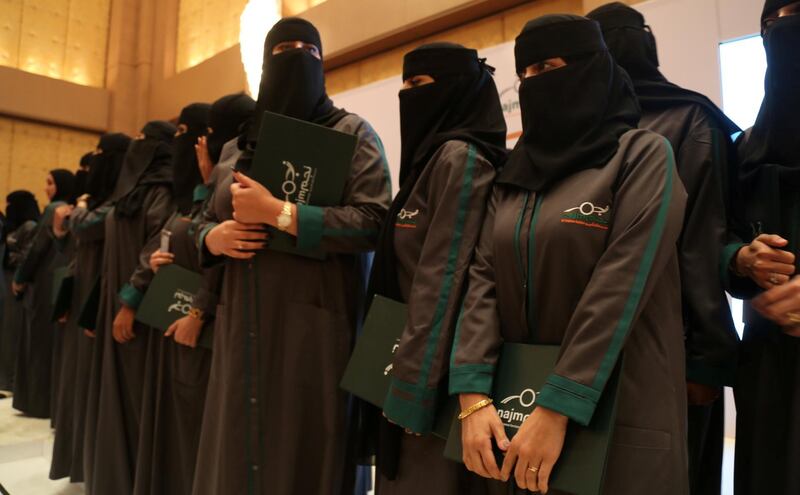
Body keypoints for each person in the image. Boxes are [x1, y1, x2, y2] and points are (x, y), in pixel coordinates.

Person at [449, 15, 688, 495]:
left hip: (618, 412)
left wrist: (557, 407)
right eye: (527, 74)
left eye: (549, 66)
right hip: (517, 419)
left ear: (592, 67)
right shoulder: (515, 176)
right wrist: (472, 396)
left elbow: (618, 289)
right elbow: (483, 280)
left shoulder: (641, 156)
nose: (537, 83)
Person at [192, 17, 391, 495]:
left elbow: (374, 220)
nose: (296, 58)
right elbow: (199, 216)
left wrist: (282, 213)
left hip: (314, 327)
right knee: (237, 449)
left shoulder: (351, 133)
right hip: (242, 324)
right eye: (284, 51)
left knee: (308, 450)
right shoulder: (237, 145)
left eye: (308, 50)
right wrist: (212, 238)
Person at [585, 4, 743, 493]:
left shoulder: (689, 120)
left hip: (668, 355)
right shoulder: (579, 127)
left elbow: (701, 247)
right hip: (604, 354)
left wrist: (703, 363)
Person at [367, 42, 507, 494]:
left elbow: (443, 281)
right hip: (411, 364)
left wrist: (412, 389)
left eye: (420, 84)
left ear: (456, 89)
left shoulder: (460, 160)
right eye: (404, 85)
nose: (409, 95)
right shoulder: (430, 163)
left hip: (436, 387)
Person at [721, 2, 800, 494]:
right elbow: (716, 236)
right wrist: (740, 258)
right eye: (781, 21)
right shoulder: (746, 146)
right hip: (770, 367)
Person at [84, 121, 175, 494]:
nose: (138, 143)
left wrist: (130, 301)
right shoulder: (132, 189)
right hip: (114, 301)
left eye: (144, 138)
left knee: (136, 398)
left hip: (136, 310)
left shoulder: (163, 191)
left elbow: (155, 249)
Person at [132, 102, 212, 495]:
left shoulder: (216, 194)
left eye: (188, 133)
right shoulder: (189, 198)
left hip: (202, 329)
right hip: (172, 320)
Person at [49, 133, 131, 482]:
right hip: (82, 296)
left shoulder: (120, 201)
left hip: (99, 302)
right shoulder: (100, 200)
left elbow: (87, 227)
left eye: (101, 155)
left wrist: (78, 212)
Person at [11, 170, 75, 419]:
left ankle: (36, 402)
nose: (46, 188)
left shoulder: (55, 208)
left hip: (43, 281)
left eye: (50, 183)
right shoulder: (71, 208)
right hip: (58, 279)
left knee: (36, 344)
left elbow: (37, 247)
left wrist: (20, 278)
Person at [0, 191, 40, 394]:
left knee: (13, 333)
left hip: (18, 285)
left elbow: (27, 256)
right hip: (7, 281)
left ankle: (11, 382)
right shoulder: (15, 226)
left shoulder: (30, 227)